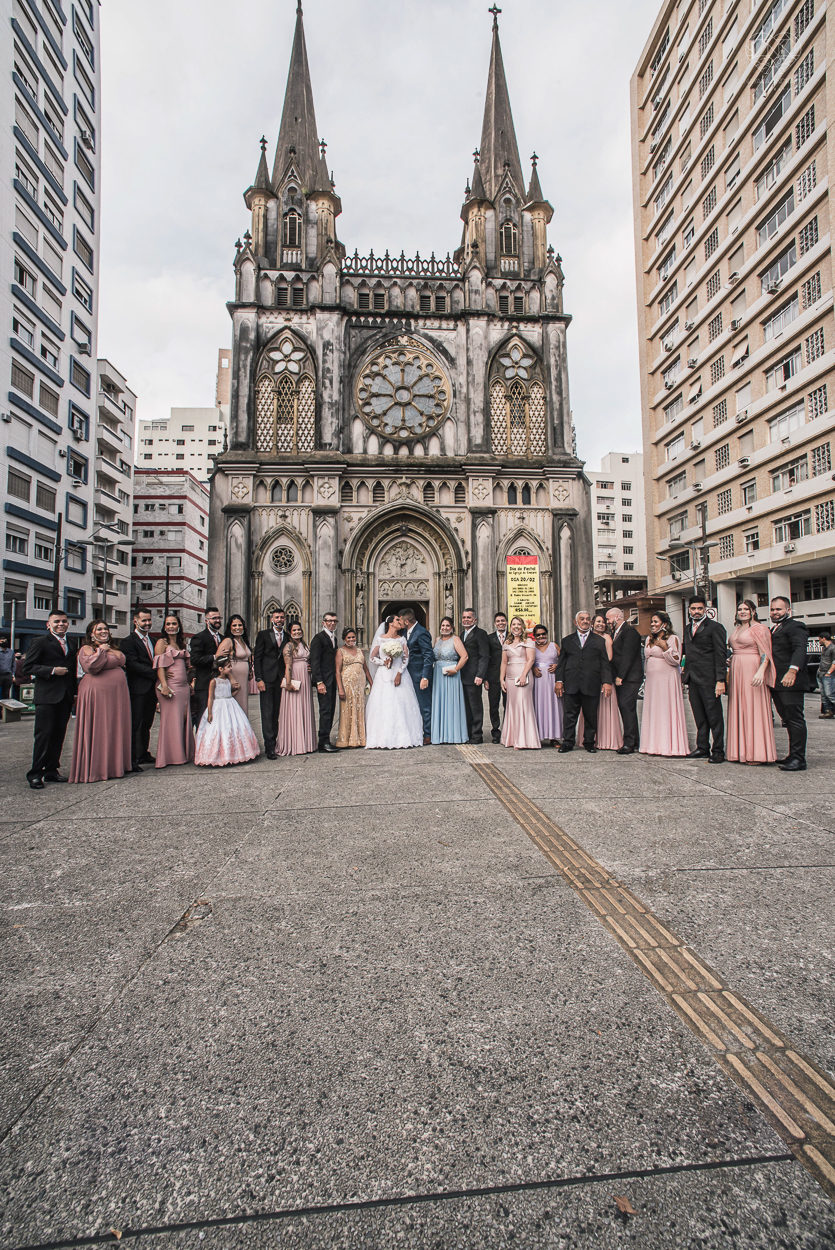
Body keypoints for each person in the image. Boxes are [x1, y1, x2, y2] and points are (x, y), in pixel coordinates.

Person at [69, 621, 132, 783]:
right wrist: (101, 652)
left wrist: (108, 649)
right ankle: (97, 768)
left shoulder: (113, 647)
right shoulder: (87, 649)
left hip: (117, 694)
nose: (104, 631)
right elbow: (91, 667)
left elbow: (123, 661)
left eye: (105, 628)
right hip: (97, 693)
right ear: (91, 633)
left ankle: (114, 765)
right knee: (100, 727)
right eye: (99, 629)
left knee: (114, 726)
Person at [23, 610, 77, 788]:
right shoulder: (40, 642)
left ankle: (52, 770)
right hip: (47, 696)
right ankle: (35, 773)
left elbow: (72, 671)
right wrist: (52, 670)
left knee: (59, 735)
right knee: (43, 736)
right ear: (49, 625)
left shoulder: (71, 642)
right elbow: (28, 666)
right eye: (57, 622)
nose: (61, 624)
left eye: (64, 621)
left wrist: (74, 694)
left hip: (65, 696)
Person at [554, 611, 613, 753]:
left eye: (587, 619)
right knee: (569, 715)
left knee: (591, 715)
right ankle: (568, 742)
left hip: (591, 683)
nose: (585, 621)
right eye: (582, 619)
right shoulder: (567, 640)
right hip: (571, 683)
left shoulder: (599, 641)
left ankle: (589, 742)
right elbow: (561, 663)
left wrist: (607, 682)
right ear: (576, 622)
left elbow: (604, 663)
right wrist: (559, 681)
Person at [727, 600, 776, 765]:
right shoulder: (737, 629)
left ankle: (757, 753)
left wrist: (761, 671)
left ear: (753, 611)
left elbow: (766, 652)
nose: (742, 612)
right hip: (736, 670)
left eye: (746, 609)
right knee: (739, 707)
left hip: (753, 670)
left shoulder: (760, 629)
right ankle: (739, 751)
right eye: (739, 609)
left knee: (753, 708)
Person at [365, 614, 423, 749]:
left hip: (399, 673)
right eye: (397, 620)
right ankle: (383, 737)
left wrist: (399, 673)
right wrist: (383, 662)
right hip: (384, 674)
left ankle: (403, 736)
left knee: (402, 703)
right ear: (390, 623)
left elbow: (405, 659)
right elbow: (372, 657)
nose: (400, 622)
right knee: (384, 704)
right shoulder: (380, 639)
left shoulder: (402, 639)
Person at [681, 595, 727, 763]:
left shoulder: (715, 628)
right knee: (699, 715)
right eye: (693, 609)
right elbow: (687, 653)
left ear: (705, 609)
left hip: (710, 678)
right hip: (692, 678)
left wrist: (720, 680)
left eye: (700, 608)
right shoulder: (687, 628)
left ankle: (718, 750)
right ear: (689, 610)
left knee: (714, 716)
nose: (696, 611)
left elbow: (720, 655)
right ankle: (702, 747)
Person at [769, 596, 810, 772]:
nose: (775, 612)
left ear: (788, 610)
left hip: (790, 681)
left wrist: (792, 671)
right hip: (777, 681)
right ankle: (793, 755)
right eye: (772, 609)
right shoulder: (775, 628)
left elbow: (800, 649)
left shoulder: (795, 626)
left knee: (795, 719)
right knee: (787, 719)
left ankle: (799, 759)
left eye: (779, 609)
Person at [639, 611, 689, 757]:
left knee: (666, 709)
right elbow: (647, 658)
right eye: (652, 622)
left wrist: (664, 647)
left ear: (664, 624)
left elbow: (676, 660)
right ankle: (653, 745)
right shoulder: (649, 638)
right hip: (652, 680)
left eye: (656, 622)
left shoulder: (673, 638)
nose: (653, 625)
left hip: (667, 678)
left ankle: (669, 746)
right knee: (653, 709)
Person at [195, 655, 259, 767]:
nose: (230, 669)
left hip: (230, 704)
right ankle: (216, 755)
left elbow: (228, 694)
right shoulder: (214, 682)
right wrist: (210, 712)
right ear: (220, 669)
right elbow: (210, 697)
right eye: (228, 667)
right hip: (218, 706)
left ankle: (236, 753)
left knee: (234, 727)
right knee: (220, 728)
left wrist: (234, 692)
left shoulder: (227, 680)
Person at [153, 613, 195, 769]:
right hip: (170, 686)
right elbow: (160, 666)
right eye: (168, 624)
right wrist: (164, 684)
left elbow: (188, 666)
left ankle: (183, 753)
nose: (171, 627)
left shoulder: (181, 643)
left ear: (179, 626)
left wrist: (190, 683)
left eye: (174, 624)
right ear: (164, 627)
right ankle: (171, 756)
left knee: (183, 719)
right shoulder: (161, 643)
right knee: (171, 720)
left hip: (183, 686)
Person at [121, 608, 158, 771]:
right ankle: (133, 758)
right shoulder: (128, 641)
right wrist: (154, 673)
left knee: (147, 723)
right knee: (135, 724)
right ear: (135, 621)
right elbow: (132, 664)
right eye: (144, 620)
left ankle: (143, 752)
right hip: (138, 688)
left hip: (151, 689)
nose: (147, 623)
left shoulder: (154, 640)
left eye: (149, 620)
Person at [605, 607, 644, 755]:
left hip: (630, 678)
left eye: (609, 619)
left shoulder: (629, 631)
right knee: (626, 708)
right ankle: (634, 740)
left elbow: (627, 655)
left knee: (627, 708)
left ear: (617, 617)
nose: (608, 622)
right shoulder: (616, 632)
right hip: (625, 677)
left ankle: (630, 742)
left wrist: (620, 676)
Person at [500, 616, 540, 749]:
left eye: (518, 624)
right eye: (513, 624)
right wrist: (502, 678)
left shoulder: (528, 641)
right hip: (510, 678)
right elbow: (504, 662)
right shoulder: (506, 642)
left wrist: (523, 675)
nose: (516, 627)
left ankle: (524, 740)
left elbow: (531, 660)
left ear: (522, 627)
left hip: (524, 676)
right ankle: (512, 738)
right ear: (510, 627)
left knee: (523, 705)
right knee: (512, 706)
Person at [277, 622, 317, 756]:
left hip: (305, 679)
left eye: (299, 629)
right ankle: (294, 744)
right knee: (294, 708)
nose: (297, 632)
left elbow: (307, 660)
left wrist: (309, 668)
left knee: (305, 707)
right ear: (289, 632)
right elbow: (288, 665)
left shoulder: (304, 645)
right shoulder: (289, 646)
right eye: (294, 630)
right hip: (294, 677)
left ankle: (306, 743)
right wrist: (288, 683)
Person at [253, 608, 286, 759]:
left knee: (277, 713)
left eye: (282, 617)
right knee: (267, 714)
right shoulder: (263, 635)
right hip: (267, 679)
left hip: (280, 680)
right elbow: (257, 658)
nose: (279, 619)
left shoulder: (288, 636)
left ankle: (277, 742)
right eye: (277, 617)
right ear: (272, 619)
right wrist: (258, 679)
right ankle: (269, 748)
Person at [430, 616, 468, 744]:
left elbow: (464, 656)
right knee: (439, 702)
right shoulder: (437, 640)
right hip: (438, 675)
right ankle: (440, 735)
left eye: (447, 626)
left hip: (451, 674)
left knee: (451, 703)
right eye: (443, 625)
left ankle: (453, 735)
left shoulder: (455, 639)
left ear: (452, 628)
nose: (444, 628)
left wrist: (456, 669)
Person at [399, 608, 434, 745]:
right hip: (408, 676)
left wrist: (425, 677)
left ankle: (429, 734)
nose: (400, 622)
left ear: (406, 621)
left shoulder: (422, 633)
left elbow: (428, 656)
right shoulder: (404, 632)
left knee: (425, 706)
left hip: (419, 676)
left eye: (400, 620)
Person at [336, 627, 373, 748]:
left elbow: (365, 669)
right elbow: (337, 671)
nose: (351, 639)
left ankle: (360, 739)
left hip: (360, 684)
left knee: (359, 708)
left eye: (353, 637)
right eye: (349, 637)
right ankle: (346, 740)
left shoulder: (360, 651)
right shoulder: (340, 651)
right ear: (344, 639)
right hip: (347, 683)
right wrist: (340, 688)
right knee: (348, 709)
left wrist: (372, 683)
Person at [591, 613, 623, 750]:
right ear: (592, 624)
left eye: (603, 622)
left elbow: (609, 657)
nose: (601, 624)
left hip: (603, 675)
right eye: (598, 621)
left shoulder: (607, 638)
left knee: (605, 707)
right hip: (590, 677)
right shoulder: (588, 637)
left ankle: (606, 739)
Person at [309, 611, 340, 753]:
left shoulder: (334, 638)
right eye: (329, 621)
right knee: (325, 710)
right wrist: (319, 682)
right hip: (324, 681)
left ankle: (326, 738)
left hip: (331, 680)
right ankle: (323, 742)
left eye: (334, 621)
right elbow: (314, 662)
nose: (332, 623)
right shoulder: (318, 638)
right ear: (323, 623)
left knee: (331, 709)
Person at [189, 607, 224, 728]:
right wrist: (215, 657)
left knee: (218, 718)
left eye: (219, 617)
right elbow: (195, 660)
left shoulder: (223, 638)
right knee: (204, 718)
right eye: (214, 618)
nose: (217, 620)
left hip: (220, 685)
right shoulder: (199, 637)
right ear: (206, 620)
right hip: (204, 684)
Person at [460, 608, 490, 744]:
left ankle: (477, 735)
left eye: (469, 618)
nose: (466, 620)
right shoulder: (461, 635)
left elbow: (484, 656)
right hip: (462, 676)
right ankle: (468, 733)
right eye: (464, 617)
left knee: (475, 706)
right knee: (466, 706)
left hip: (474, 677)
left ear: (475, 620)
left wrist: (480, 675)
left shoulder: (481, 634)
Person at [215, 614, 253, 715]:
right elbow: (220, 660)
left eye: (240, 625)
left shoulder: (243, 641)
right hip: (233, 678)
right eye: (234, 625)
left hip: (243, 679)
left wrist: (249, 670)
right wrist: (231, 678)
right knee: (234, 706)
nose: (237, 628)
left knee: (242, 704)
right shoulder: (228, 641)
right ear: (230, 627)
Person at [531, 624, 562, 745]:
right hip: (537, 681)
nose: (541, 636)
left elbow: (565, 660)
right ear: (534, 636)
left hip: (552, 680)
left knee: (553, 706)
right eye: (538, 634)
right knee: (538, 706)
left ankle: (554, 736)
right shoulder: (531, 647)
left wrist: (557, 666)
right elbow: (527, 661)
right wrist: (533, 667)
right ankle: (537, 735)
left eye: (543, 633)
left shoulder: (554, 645)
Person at [486, 612, 508, 743]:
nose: (501, 623)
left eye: (503, 621)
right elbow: (486, 658)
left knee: (508, 704)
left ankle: (507, 730)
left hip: (509, 676)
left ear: (506, 622)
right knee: (494, 705)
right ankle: (495, 731)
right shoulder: (489, 638)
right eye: (498, 621)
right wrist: (486, 679)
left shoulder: (512, 636)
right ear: (495, 623)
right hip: (493, 677)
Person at [817, 630, 835, 719]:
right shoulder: (824, 648)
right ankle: (828, 711)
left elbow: (834, 662)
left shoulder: (833, 648)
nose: (819, 641)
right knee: (824, 695)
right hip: (821, 673)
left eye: (819, 639)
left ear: (824, 638)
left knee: (830, 694)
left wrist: (829, 673)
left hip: (828, 675)